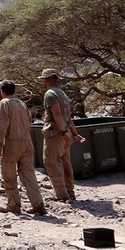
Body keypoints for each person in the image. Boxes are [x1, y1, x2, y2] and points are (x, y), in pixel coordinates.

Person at [0, 80, 46, 215]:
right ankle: (38, 204)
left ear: (2, 91)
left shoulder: (5, 103)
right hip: (27, 142)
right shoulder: (21, 104)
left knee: (9, 175)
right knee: (29, 175)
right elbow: (29, 121)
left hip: (12, 143)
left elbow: (2, 124)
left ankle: (13, 204)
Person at [40, 67, 85, 202]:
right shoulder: (62, 94)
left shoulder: (50, 94)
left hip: (56, 134)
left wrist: (64, 132)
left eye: (43, 79)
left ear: (47, 79)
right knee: (65, 163)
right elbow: (68, 117)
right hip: (65, 133)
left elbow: (57, 114)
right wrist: (74, 134)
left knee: (52, 162)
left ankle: (61, 195)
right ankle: (70, 192)